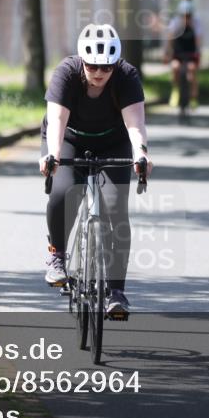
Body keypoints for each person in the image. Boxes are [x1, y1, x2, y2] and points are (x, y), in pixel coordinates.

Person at [39, 24, 153, 319]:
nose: (99, 73)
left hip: (112, 144)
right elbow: (57, 121)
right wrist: (52, 154)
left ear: (115, 65)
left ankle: (116, 291)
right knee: (64, 193)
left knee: (116, 209)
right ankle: (57, 256)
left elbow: (135, 125)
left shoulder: (127, 77)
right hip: (68, 140)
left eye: (106, 67)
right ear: (82, 61)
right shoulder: (66, 73)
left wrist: (141, 154)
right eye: (92, 66)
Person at [165, 0, 201, 109]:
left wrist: (198, 55)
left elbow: (199, 40)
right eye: (184, 16)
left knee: (192, 70)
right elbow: (170, 39)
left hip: (191, 53)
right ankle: (175, 90)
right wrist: (168, 53)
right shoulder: (175, 23)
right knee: (175, 67)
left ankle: (194, 97)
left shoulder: (196, 24)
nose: (186, 18)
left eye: (188, 16)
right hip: (178, 53)